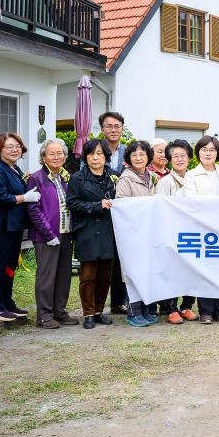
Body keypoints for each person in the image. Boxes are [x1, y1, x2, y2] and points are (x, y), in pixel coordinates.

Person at [24, 138, 78, 329]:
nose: (57, 157)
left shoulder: (66, 178)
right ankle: (44, 315)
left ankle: (59, 311)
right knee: (46, 276)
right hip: (47, 235)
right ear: (43, 157)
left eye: (60, 153)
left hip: (66, 232)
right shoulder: (36, 178)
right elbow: (33, 210)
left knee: (64, 275)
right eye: (52, 153)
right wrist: (48, 234)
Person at [0, 132, 34, 322]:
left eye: (17, 146)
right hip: (1, 226)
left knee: (10, 266)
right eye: (9, 146)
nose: (14, 150)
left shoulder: (14, 169)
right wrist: (24, 198)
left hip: (14, 226)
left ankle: (7, 302)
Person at [67, 139, 117, 330]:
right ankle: (88, 313)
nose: (95, 158)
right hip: (86, 232)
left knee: (105, 276)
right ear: (85, 156)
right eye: (91, 154)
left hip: (108, 232)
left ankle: (98, 311)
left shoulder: (114, 176)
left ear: (106, 157)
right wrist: (97, 206)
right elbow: (73, 204)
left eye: (99, 154)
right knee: (87, 276)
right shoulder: (77, 178)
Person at [184, 135, 219, 324]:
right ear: (198, 153)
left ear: (217, 152)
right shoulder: (191, 175)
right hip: (201, 228)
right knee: (204, 269)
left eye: (212, 149)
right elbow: (192, 201)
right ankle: (205, 311)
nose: (208, 153)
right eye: (204, 149)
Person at [115, 140, 158, 328]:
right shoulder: (125, 180)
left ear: (148, 157)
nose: (138, 158)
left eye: (142, 154)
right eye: (134, 155)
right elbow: (122, 208)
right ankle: (134, 311)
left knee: (148, 272)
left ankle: (147, 310)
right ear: (129, 159)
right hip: (132, 234)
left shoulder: (153, 178)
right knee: (132, 273)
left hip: (151, 234)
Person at [155, 139, 194, 323]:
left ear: (189, 158)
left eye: (183, 156)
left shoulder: (194, 179)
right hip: (171, 232)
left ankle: (187, 306)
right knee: (171, 271)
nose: (179, 159)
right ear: (169, 159)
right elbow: (160, 210)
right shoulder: (165, 182)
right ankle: (170, 308)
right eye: (175, 156)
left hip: (192, 233)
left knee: (190, 270)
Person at [96, 112, 128, 314]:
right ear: (102, 129)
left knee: (123, 258)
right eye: (109, 126)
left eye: (117, 126)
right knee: (103, 259)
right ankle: (96, 306)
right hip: (102, 211)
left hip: (125, 213)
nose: (113, 130)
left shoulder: (129, 151)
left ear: (122, 129)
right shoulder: (94, 150)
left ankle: (119, 301)